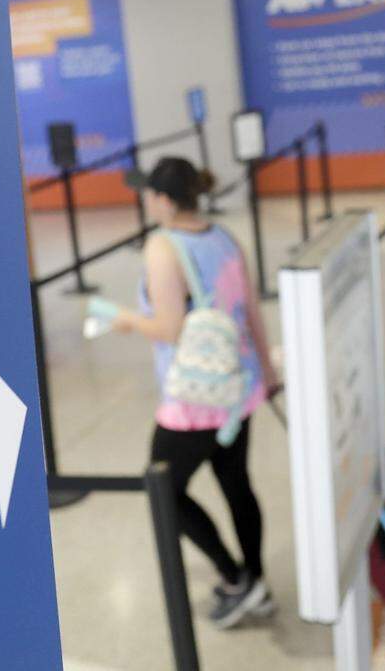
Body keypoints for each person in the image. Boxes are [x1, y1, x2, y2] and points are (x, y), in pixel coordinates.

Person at [113, 156, 279, 629]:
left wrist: (127, 321)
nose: (148, 200)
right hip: (238, 388)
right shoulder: (224, 237)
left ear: (164, 199)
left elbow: (167, 328)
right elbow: (252, 312)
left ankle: (235, 580)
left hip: (194, 402)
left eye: (150, 192)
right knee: (237, 486)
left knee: (163, 490)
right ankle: (257, 580)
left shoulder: (164, 248)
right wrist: (266, 374)